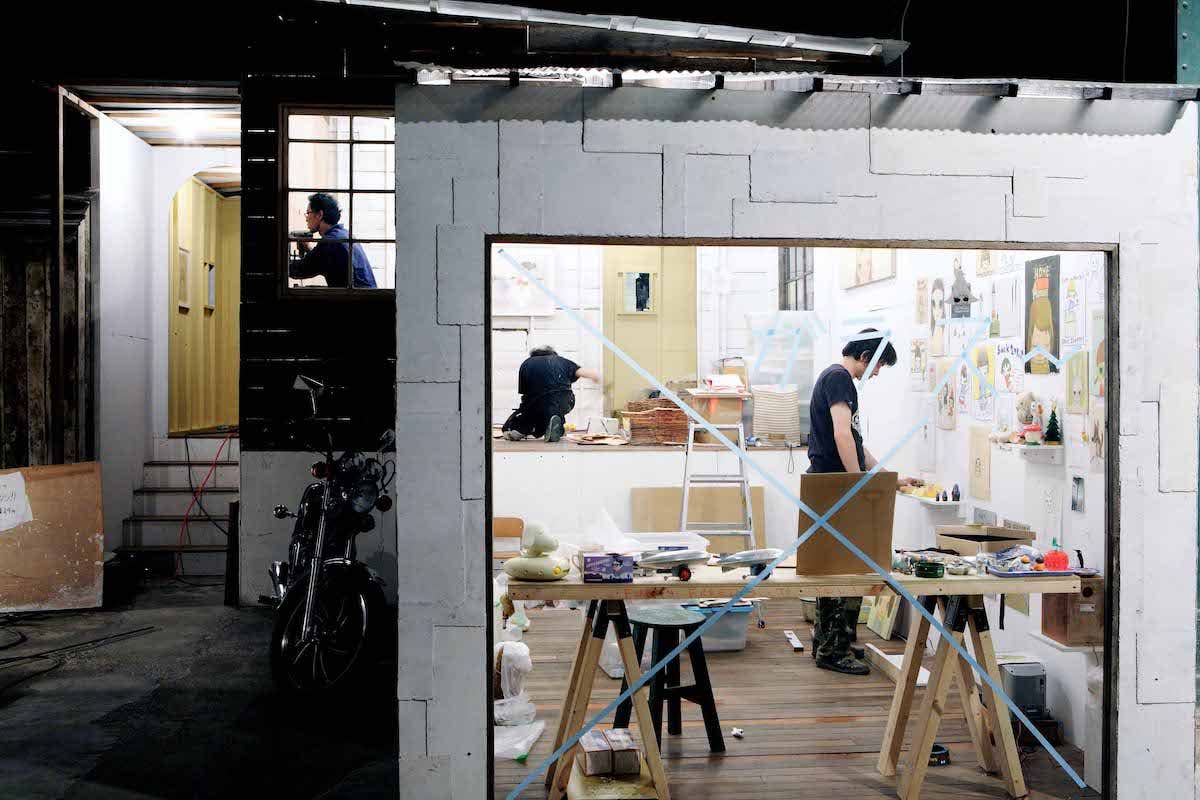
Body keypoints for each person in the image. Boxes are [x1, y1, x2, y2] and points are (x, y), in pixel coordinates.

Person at [807, 328, 921, 675]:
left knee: (837, 567)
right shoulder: (840, 379)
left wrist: (887, 478)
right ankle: (833, 649)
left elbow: (855, 443)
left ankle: (831, 641)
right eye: (879, 365)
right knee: (847, 569)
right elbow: (841, 434)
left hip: (832, 483)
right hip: (835, 485)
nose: (877, 373)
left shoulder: (835, 378)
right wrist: (857, 483)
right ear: (865, 357)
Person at [502, 346, 599, 443]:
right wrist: (597, 377)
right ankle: (555, 424)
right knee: (553, 410)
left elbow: (525, 395)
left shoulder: (527, 363)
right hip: (565, 402)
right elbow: (584, 372)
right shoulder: (562, 361)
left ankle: (521, 429)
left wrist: (523, 412)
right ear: (553, 353)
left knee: (530, 412)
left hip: (537, 403)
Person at [290, 193, 377, 288]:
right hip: (363, 295)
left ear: (319, 215)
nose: (306, 218)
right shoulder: (344, 234)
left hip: (353, 296)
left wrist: (279, 261)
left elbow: (299, 270)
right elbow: (322, 261)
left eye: (308, 213)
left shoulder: (329, 242)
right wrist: (308, 249)